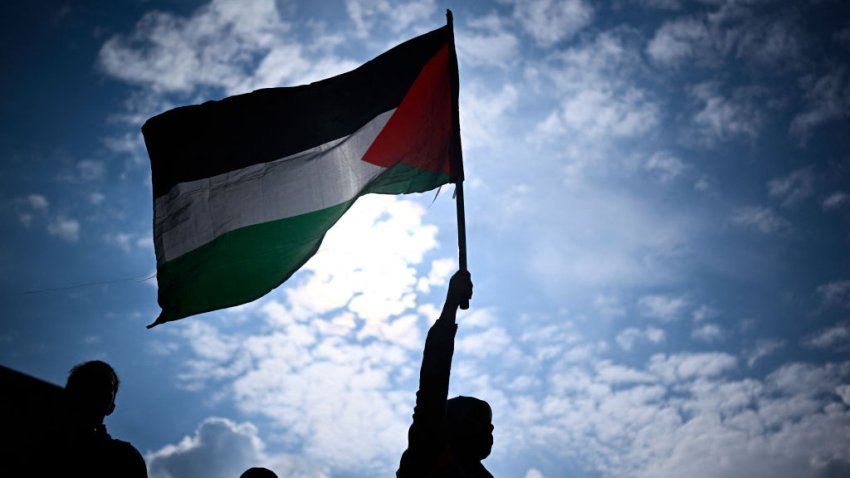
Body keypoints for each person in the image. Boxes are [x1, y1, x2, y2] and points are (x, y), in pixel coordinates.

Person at [397, 270, 493, 477]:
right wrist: (451, 303)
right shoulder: (430, 449)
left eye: (488, 422)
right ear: (452, 422)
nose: (490, 428)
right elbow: (434, 379)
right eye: (479, 420)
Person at [46, 360, 148, 477]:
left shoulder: (126, 457)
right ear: (68, 393)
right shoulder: (43, 441)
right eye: (87, 382)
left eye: (104, 385)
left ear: (111, 408)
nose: (94, 390)